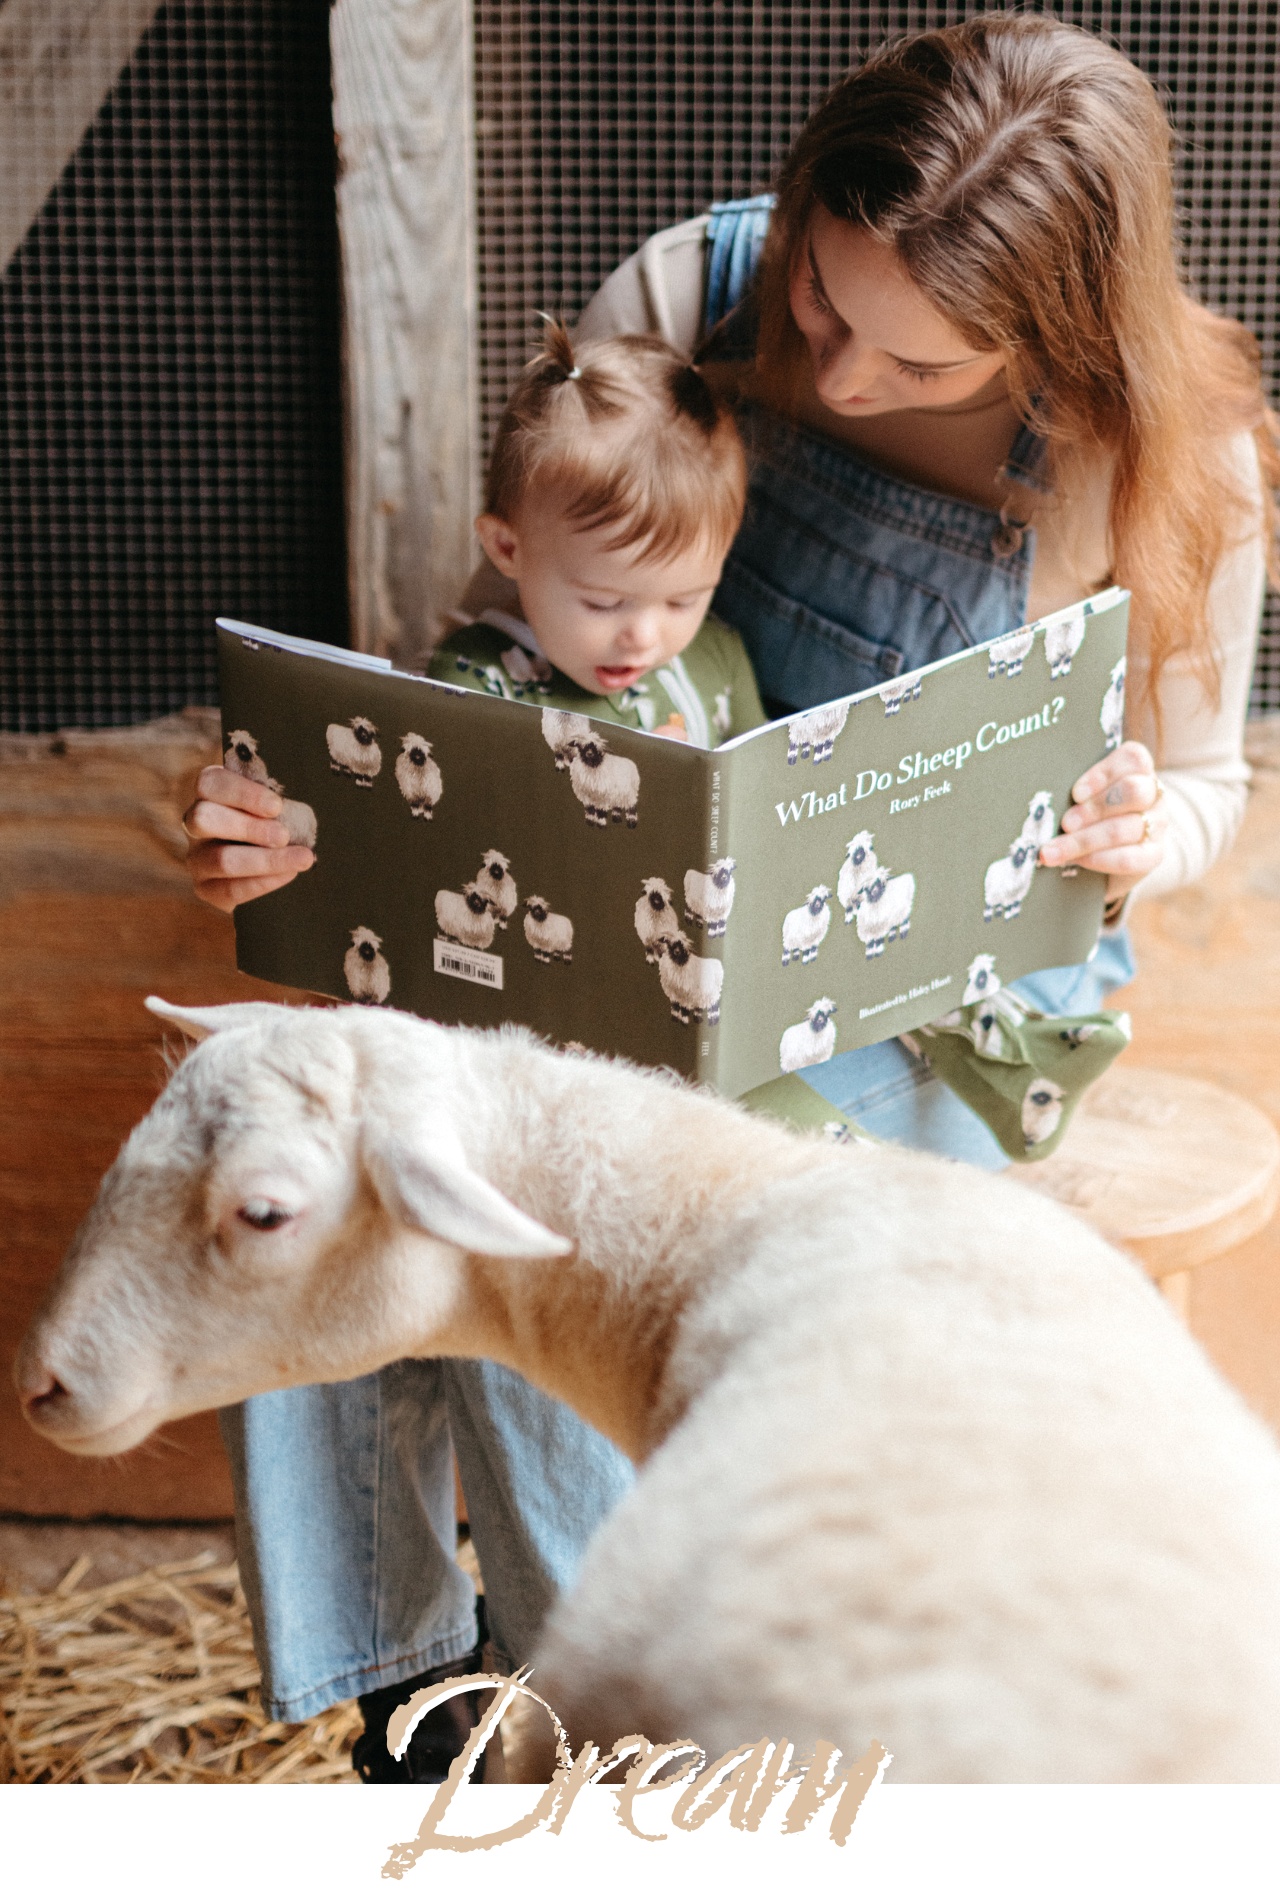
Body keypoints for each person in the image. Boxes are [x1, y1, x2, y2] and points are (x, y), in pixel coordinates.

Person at [181, 14, 1275, 1774]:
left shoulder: (1180, 455)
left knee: (579, 1173)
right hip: (631, 909)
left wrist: (1148, 835)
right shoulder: (699, 284)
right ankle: (419, 1680)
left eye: (913, 365)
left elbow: (1211, 783)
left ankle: (622, 1710)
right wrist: (310, 812)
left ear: (1059, 342)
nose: (836, 377)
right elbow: (511, 636)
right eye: (827, 308)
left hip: (941, 1001)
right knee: (336, 1109)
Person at [431, 321, 764, 743]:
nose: (643, 638)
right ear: (507, 547)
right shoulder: (473, 683)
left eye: (684, 601)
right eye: (602, 603)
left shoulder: (719, 659)